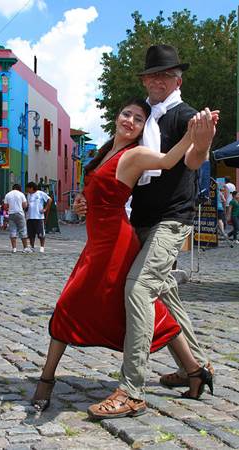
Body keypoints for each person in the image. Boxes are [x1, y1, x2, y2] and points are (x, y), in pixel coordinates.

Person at [31, 98, 218, 415]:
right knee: (151, 307)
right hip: (98, 242)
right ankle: (195, 369)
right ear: (117, 117)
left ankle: (46, 380)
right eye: (126, 114)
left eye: (138, 119)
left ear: (143, 129)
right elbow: (96, 189)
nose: (130, 120)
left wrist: (192, 132)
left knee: (69, 303)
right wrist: (82, 201)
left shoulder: (136, 154)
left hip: (115, 244)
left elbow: (170, 160)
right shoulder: (105, 152)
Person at [74, 45, 217, 418]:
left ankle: (132, 389)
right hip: (138, 220)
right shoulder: (140, 119)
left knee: (138, 289)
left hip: (171, 219)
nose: (157, 80)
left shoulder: (186, 116)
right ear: (144, 80)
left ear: (178, 81)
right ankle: (198, 367)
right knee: (164, 294)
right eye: (152, 75)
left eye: (165, 75)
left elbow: (191, 160)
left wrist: (201, 144)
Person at [4, 184, 32, 253]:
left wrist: (10, 208)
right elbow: (25, 205)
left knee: (13, 231)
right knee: (23, 230)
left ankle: (14, 248)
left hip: (11, 214)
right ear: (19, 189)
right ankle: (25, 248)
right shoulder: (21, 194)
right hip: (20, 213)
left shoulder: (8, 195)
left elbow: (5, 206)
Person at [26, 182, 52, 253]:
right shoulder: (28, 195)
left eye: (28, 188)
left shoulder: (40, 193)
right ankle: (32, 246)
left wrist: (45, 209)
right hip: (29, 217)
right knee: (31, 234)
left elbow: (49, 200)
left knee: (40, 233)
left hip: (38, 217)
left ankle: (42, 247)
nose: (27, 190)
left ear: (31, 188)